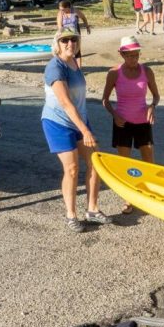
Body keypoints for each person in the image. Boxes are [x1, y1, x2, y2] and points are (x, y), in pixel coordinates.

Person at [42, 27, 111, 232]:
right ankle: (71, 215)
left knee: (95, 163)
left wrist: (84, 126)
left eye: (73, 40)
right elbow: (65, 103)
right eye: (65, 41)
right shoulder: (55, 67)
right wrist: (86, 130)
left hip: (79, 121)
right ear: (57, 44)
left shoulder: (74, 63)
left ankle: (92, 209)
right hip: (58, 123)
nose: (70, 43)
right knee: (71, 169)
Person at [102, 36, 160, 214]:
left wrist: (152, 107)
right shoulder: (114, 73)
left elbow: (156, 96)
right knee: (126, 163)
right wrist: (114, 114)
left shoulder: (147, 71)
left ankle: (149, 194)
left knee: (148, 161)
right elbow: (105, 100)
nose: (133, 59)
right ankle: (129, 199)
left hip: (143, 121)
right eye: (129, 56)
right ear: (121, 54)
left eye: (136, 55)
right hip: (122, 123)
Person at [56, 0, 91, 68]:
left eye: (63, 9)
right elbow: (59, 25)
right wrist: (62, 34)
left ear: (68, 7)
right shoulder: (60, 13)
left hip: (75, 33)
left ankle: (79, 69)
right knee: (64, 50)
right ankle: (66, 66)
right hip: (65, 34)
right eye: (60, 9)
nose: (61, 11)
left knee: (77, 50)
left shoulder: (75, 11)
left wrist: (87, 26)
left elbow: (83, 18)